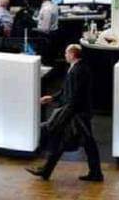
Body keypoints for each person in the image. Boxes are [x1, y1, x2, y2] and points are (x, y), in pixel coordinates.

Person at [26, 44, 103, 181]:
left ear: (72, 54)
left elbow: (74, 96)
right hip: (76, 112)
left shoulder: (77, 71)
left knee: (87, 143)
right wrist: (53, 97)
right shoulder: (78, 68)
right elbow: (66, 90)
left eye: (67, 53)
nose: (65, 55)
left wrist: (64, 114)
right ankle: (46, 171)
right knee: (68, 141)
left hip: (77, 114)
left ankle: (95, 173)